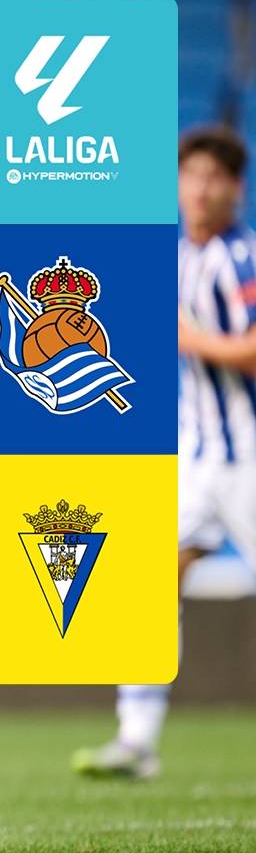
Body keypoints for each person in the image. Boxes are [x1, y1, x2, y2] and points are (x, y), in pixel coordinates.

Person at [74, 125, 254, 780]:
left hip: (250, 459)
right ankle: (137, 739)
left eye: (214, 177)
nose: (200, 188)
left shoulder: (242, 260)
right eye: (191, 175)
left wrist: (188, 338)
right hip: (198, 457)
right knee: (147, 578)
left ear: (235, 189)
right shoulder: (175, 259)